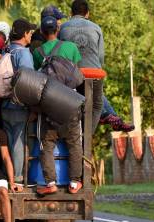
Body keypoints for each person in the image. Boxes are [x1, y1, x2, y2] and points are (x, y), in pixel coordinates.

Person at [32, 16, 83, 195]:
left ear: (42, 32)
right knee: (74, 143)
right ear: (57, 29)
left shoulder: (38, 52)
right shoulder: (71, 47)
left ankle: (50, 182)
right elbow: (77, 71)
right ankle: (75, 183)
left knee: (46, 144)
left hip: (50, 106)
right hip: (70, 103)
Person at [59, 0, 104, 133]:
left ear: (71, 13)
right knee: (96, 105)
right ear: (87, 14)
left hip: (71, 74)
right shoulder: (96, 28)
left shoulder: (63, 28)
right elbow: (100, 56)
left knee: (71, 105)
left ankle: (74, 137)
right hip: (93, 73)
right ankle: (86, 135)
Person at [1, 18, 37, 185]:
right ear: (24, 34)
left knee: (7, 142)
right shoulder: (23, 53)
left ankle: (7, 177)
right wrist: (32, 108)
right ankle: (16, 178)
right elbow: (28, 83)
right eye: (30, 32)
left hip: (4, 105)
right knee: (18, 143)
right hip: (19, 107)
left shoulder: (6, 50)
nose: (31, 35)